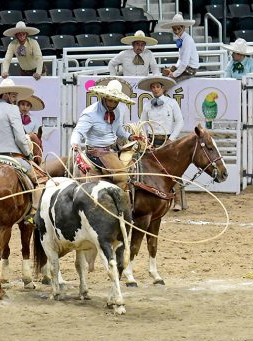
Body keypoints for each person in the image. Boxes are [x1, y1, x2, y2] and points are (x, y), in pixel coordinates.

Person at [0, 78, 44, 223]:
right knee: (41, 180)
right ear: (7, 94)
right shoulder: (12, 109)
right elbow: (19, 137)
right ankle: (34, 212)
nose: (16, 99)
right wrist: (28, 154)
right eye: (14, 95)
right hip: (13, 156)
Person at [71, 79, 141, 192]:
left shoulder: (117, 111)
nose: (113, 104)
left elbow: (118, 129)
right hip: (98, 153)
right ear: (104, 97)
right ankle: (120, 202)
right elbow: (78, 131)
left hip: (112, 149)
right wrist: (75, 142)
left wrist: (129, 136)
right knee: (123, 176)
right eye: (111, 100)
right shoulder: (90, 113)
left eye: (116, 101)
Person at [138, 74, 185, 210]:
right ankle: (156, 198)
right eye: (153, 87)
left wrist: (171, 139)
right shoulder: (147, 105)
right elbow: (143, 123)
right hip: (152, 140)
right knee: (151, 168)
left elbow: (180, 122)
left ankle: (178, 201)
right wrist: (145, 139)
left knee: (173, 170)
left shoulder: (172, 103)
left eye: (158, 87)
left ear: (163, 88)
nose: (155, 89)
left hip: (168, 140)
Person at [157, 13, 199, 82]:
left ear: (183, 27)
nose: (176, 31)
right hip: (186, 67)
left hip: (190, 69)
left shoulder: (187, 40)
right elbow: (181, 59)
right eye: (174, 29)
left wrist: (174, 74)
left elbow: (185, 62)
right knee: (165, 75)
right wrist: (175, 67)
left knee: (167, 80)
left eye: (179, 28)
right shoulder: (182, 39)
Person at [17, 95, 45, 164]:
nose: (25, 107)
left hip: (30, 149)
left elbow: (37, 139)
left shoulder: (35, 121)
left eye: (28, 105)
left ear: (30, 107)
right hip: (15, 147)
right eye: (23, 104)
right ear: (19, 105)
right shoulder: (14, 118)